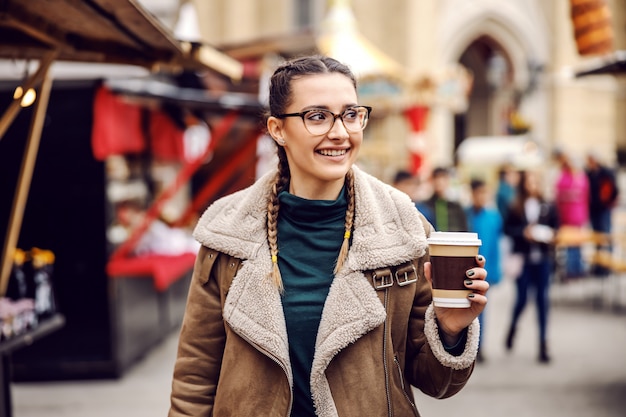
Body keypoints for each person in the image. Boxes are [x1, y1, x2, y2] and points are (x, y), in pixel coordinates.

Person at [168, 55, 489, 417]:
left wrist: (449, 331)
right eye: (317, 116)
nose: (339, 132)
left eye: (351, 114)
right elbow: (194, 380)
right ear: (277, 129)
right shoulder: (227, 234)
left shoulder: (404, 229)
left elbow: (435, 382)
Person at [503, 170, 559, 363]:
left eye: (535, 181)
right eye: (529, 182)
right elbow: (508, 229)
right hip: (524, 259)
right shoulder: (516, 206)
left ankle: (543, 344)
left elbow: (555, 229)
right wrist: (523, 233)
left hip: (542, 259)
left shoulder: (548, 205)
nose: (532, 185)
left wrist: (549, 235)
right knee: (522, 299)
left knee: (543, 300)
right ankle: (513, 326)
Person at [465, 178, 502, 362]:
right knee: (465, 309)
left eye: (483, 193)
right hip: (465, 272)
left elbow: (496, 248)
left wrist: (495, 272)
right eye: (477, 193)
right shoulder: (465, 215)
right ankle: (466, 346)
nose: (481, 197)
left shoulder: (494, 218)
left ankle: (479, 347)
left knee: (482, 310)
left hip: (485, 271)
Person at [553, 149, 589, 279]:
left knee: (578, 244)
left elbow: (585, 194)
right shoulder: (563, 176)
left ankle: (578, 268)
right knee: (569, 245)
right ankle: (570, 270)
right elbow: (558, 193)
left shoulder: (581, 176)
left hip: (578, 215)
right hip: (567, 216)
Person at [585, 152, 619, 276]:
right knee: (597, 237)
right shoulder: (589, 174)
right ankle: (599, 265)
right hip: (594, 209)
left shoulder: (605, 173)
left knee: (606, 236)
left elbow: (613, 190)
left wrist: (607, 202)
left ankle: (608, 265)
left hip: (604, 209)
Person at [422, 166, 468, 232]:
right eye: (436, 178)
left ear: (448, 181)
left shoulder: (456, 208)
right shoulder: (425, 207)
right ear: (431, 181)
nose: (439, 181)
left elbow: (464, 230)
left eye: (443, 178)